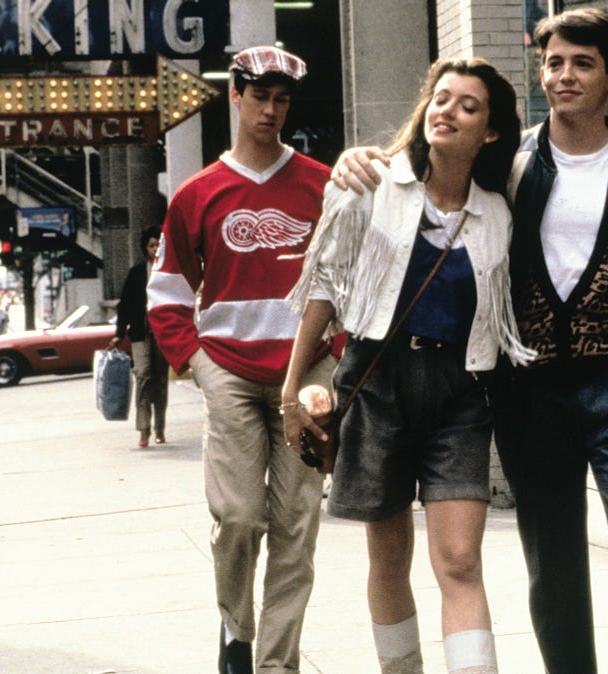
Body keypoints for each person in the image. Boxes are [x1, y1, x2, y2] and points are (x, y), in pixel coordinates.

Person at [331, 8, 608, 674]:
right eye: (554, 63)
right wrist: (359, 161)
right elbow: (429, 176)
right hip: (536, 396)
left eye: (582, 63)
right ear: (540, 73)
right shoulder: (508, 169)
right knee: (553, 561)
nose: (565, 75)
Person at [280, 58, 535, 674]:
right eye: (440, 99)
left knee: (459, 561)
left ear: (491, 132)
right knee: (389, 557)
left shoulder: (498, 215)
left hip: (460, 394)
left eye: (467, 106)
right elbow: (324, 287)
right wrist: (293, 390)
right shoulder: (369, 185)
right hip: (377, 384)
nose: (447, 111)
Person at [147, 45, 334, 674]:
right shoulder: (197, 194)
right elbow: (168, 292)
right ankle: (236, 629)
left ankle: (277, 663)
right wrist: (194, 361)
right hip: (227, 367)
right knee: (239, 516)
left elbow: (351, 280)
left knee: (297, 523)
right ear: (235, 95)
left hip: (305, 373)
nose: (271, 111)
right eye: (260, 97)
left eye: (282, 100)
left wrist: (333, 358)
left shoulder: (321, 185)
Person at [110, 226, 168, 447]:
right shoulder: (136, 273)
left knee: (160, 381)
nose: (156, 249)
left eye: (159, 245)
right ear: (146, 248)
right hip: (140, 334)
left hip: (163, 334)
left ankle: (160, 428)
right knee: (143, 376)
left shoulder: (169, 272)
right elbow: (125, 306)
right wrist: (118, 334)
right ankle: (144, 430)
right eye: (152, 245)